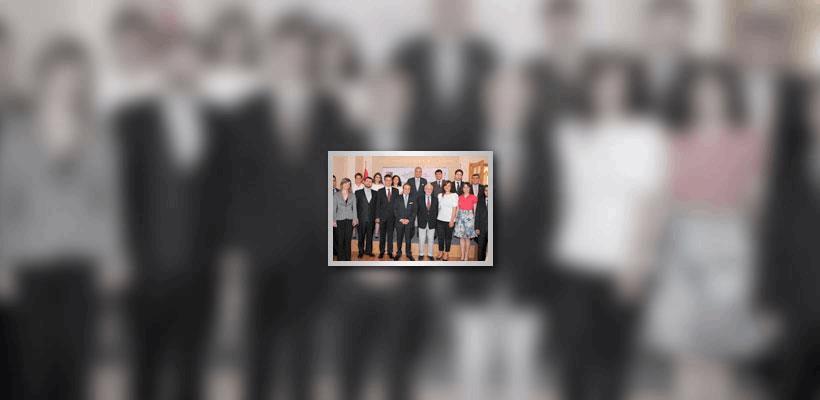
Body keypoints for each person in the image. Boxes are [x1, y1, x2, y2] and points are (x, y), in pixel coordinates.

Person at [0, 37, 127, 400]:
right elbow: (5, 202)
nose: (68, 85)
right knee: (33, 371)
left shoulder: (99, 133)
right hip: (31, 266)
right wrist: (2, 264)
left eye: (76, 77)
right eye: (60, 75)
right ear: (43, 77)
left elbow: (108, 202)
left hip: (81, 267)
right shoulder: (15, 133)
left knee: (75, 369)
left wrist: (113, 258)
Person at [116, 30, 232, 400]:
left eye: (191, 57)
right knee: (145, 371)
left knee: (192, 371)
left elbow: (227, 196)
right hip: (144, 270)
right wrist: (120, 256)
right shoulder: (130, 121)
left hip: (201, 270)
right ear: (161, 63)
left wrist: (225, 256)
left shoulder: (221, 123)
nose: (183, 65)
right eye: (175, 56)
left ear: (202, 66)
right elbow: (118, 195)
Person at [644, 63, 768, 400]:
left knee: (720, 350)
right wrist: (646, 252)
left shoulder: (749, 140)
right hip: (682, 242)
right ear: (690, 96)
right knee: (684, 346)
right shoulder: (675, 140)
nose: (708, 99)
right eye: (700, 92)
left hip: (729, 245)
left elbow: (755, 201)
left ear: (729, 95)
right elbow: (662, 198)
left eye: (715, 92)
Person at [550, 54, 669, 400]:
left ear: (630, 89)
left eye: (618, 84)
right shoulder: (568, 132)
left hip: (622, 264)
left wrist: (638, 262)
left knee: (612, 364)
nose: (609, 90)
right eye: (602, 82)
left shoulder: (646, 136)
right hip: (574, 260)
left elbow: (653, 203)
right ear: (589, 86)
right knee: (572, 362)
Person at [392, 0, 496, 151]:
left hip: (472, 155)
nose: (451, 12)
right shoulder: (408, 55)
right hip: (418, 154)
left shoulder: (485, 55)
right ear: (433, 8)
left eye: (458, 6)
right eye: (445, 5)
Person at [334, 178, 358, 261]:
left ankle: (348, 259)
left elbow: (354, 208)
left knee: (348, 240)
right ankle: (340, 259)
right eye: (345, 183)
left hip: (350, 219)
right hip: (339, 219)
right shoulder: (336, 195)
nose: (347, 185)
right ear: (342, 184)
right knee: (340, 240)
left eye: (348, 184)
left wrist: (355, 219)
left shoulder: (353, 195)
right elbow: (334, 208)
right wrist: (333, 220)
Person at [376, 174, 399, 259]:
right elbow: (377, 205)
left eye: (390, 180)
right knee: (382, 235)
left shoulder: (396, 191)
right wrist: (377, 217)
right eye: (387, 180)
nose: (388, 182)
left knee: (390, 236)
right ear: (384, 181)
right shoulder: (380, 191)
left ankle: (390, 251)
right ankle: (381, 252)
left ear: (392, 181)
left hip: (392, 217)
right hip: (382, 217)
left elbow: (397, 204)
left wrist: (397, 216)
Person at [454, 182, 478, 261]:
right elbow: (457, 208)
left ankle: (466, 255)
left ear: (470, 188)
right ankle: (462, 255)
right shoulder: (459, 197)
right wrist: (455, 218)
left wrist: (475, 220)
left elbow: (475, 210)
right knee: (461, 237)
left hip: (469, 218)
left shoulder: (473, 197)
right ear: (462, 189)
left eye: (467, 187)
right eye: (464, 187)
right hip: (460, 218)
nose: (466, 189)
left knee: (467, 238)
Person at [393, 183, 417, 261]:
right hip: (399, 222)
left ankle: (408, 253)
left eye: (408, 189)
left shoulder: (413, 198)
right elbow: (395, 210)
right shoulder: (397, 198)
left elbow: (414, 211)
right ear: (403, 189)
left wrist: (408, 220)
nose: (407, 190)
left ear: (410, 190)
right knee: (399, 239)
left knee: (408, 239)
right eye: (405, 188)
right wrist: (400, 219)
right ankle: (398, 253)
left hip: (409, 223)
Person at [355, 176, 377, 258]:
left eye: (370, 182)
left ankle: (369, 251)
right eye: (367, 181)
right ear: (364, 182)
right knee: (361, 236)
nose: (368, 183)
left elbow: (377, 206)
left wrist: (376, 217)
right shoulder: (358, 192)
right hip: (361, 219)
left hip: (371, 218)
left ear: (372, 183)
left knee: (370, 236)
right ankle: (361, 251)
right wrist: (355, 217)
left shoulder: (375, 193)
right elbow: (355, 206)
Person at [437, 180, 459, 260]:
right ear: (443, 187)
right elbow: (438, 208)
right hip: (440, 219)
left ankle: (446, 253)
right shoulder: (440, 195)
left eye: (449, 185)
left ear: (451, 187)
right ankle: (440, 251)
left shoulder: (454, 195)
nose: (447, 187)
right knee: (440, 237)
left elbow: (455, 208)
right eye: (445, 185)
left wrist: (452, 220)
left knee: (448, 238)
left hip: (449, 220)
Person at [417, 183, 439, 261]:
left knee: (431, 239)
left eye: (430, 189)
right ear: (424, 189)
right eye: (427, 188)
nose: (428, 190)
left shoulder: (436, 199)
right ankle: (421, 254)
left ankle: (430, 254)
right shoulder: (419, 198)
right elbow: (417, 211)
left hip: (432, 222)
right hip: (422, 222)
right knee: (421, 239)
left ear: (432, 190)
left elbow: (437, 211)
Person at [475, 185, 489, 261]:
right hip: (481, 228)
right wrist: (477, 227)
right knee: (481, 248)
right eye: (486, 190)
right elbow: (477, 215)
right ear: (484, 192)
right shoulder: (480, 201)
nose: (487, 192)